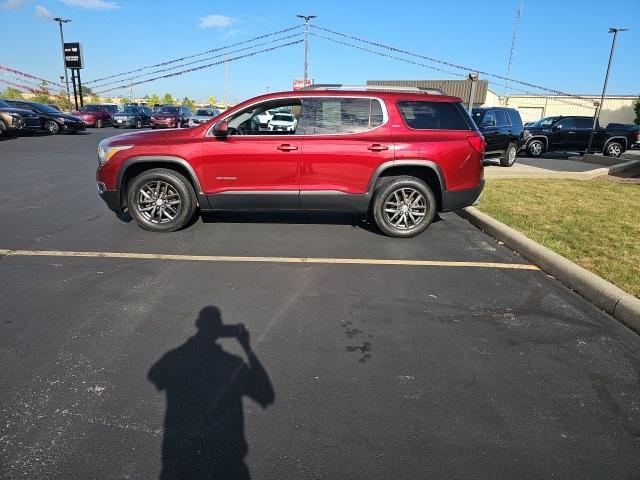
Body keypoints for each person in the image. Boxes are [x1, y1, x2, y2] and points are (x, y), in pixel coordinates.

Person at [148, 306, 274, 479]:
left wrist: (188, 349)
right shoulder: (232, 365)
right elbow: (266, 395)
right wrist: (246, 346)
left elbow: (155, 376)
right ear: (221, 331)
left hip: (181, 459)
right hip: (225, 462)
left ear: (198, 324)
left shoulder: (174, 359)